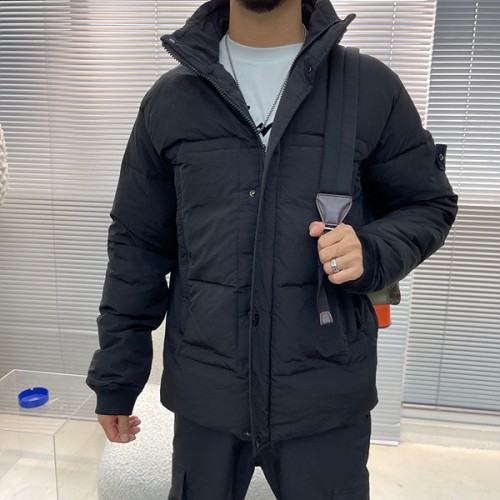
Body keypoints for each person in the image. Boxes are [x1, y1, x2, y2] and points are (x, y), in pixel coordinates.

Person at [87, 0, 458, 498]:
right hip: (207, 395)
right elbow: (137, 248)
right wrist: (116, 377)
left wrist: (371, 251)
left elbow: (428, 204)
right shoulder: (171, 100)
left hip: (325, 394)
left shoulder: (370, 87)